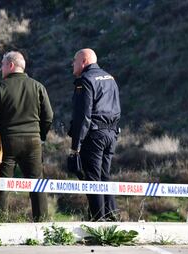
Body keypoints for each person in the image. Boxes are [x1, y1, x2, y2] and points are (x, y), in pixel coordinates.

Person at [0, 50, 53, 222]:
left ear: (11, 65)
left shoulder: (1, 87)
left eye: (2, 64)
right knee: (37, 183)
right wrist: (40, 135)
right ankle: (42, 223)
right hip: (33, 142)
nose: (1, 68)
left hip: (8, 142)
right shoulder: (38, 86)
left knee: (2, 184)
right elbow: (49, 116)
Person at [68, 48, 121, 221]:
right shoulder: (110, 78)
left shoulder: (84, 80)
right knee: (105, 175)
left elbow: (83, 116)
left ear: (83, 61)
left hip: (94, 135)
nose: (72, 64)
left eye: (75, 60)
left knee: (92, 177)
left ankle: (98, 219)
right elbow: (116, 108)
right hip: (111, 134)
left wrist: (76, 146)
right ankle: (112, 215)